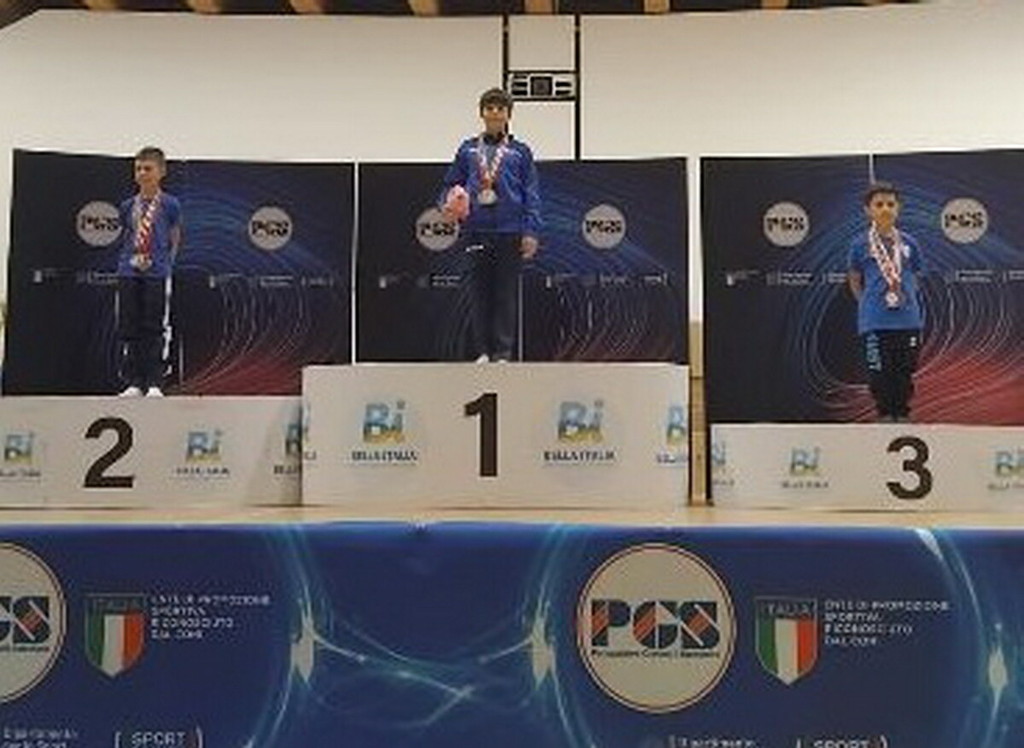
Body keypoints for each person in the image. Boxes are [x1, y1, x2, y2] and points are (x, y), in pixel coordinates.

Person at [441, 87, 542, 363]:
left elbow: (531, 193)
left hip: (510, 231)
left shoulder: (520, 152)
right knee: (479, 293)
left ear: (509, 114)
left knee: (505, 293)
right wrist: (447, 205)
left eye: (500, 108)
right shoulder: (467, 149)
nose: (495, 113)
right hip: (476, 229)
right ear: (482, 113)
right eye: (489, 108)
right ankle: (483, 351)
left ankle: (502, 352)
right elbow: (451, 183)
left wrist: (531, 230)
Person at [847, 181, 924, 422]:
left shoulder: (910, 243)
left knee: (904, 371)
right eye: (878, 204)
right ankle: (884, 416)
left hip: (907, 320)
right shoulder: (859, 244)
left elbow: (916, 276)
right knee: (879, 374)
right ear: (868, 210)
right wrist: (868, 304)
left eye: (890, 204)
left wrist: (903, 296)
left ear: (898, 208)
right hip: (875, 322)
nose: (885, 209)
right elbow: (854, 280)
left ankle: (902, 416)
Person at [116, 146, 182, 397]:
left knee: (155, 326)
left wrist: (166, 264)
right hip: (129, 271)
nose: (142, 173)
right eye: (138, 169)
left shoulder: (170, 204)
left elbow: (175, 237)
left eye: (148, 168)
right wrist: (129, 260)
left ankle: (155, 381)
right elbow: (127, 235)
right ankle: (133, 381)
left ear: (161, 171)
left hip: (157, 272)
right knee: (129, 325)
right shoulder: (127, 206)